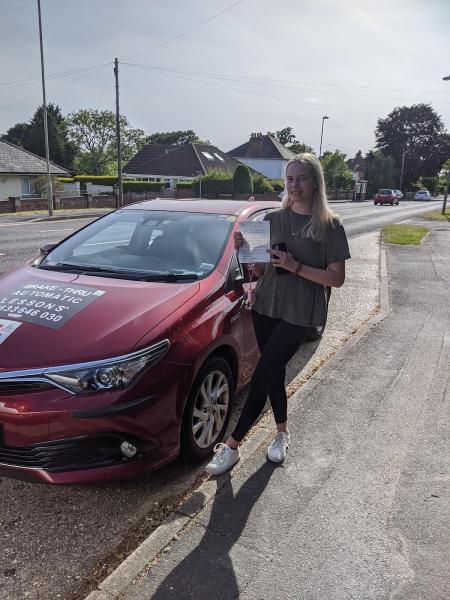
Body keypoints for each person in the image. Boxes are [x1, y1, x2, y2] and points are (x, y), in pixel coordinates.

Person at [205, 153, 351, 476]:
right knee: (275, 374)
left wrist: (295, 267)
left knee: (262, 373)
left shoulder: (331, 226)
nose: (294, 186)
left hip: (300, 313)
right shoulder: (272, 218)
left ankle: (231, 446)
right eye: (289, 179)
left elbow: (336, 279)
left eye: (301, 179)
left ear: (315, 183)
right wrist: (245, 249)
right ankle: (282, 433)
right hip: (267, 304)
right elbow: (259, 269)